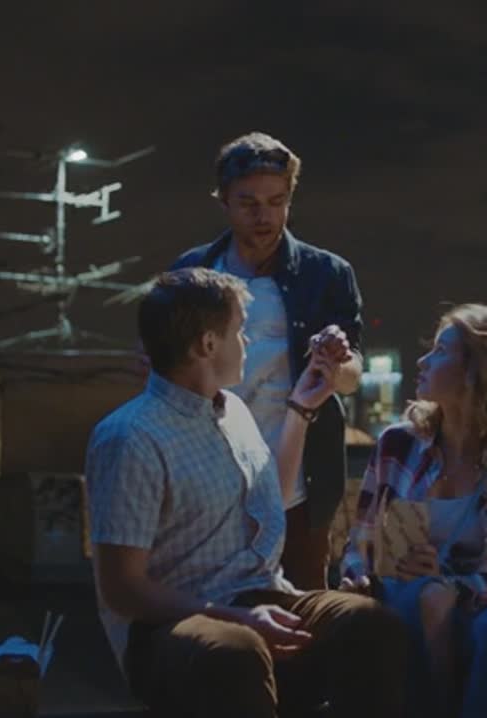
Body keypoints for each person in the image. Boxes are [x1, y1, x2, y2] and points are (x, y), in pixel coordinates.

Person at [86, 268, 406, 718]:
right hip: (172, 626)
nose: (248, 342)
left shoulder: (232, 409)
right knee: (235, 651)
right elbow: (122, 589)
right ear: (206, 344)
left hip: (260, 596)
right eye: (239, 331)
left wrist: (300, 409)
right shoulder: (130, 437)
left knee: (368, 623)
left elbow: (268, 499)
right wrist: (235, 617)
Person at [339, 304, 487, 718]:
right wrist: (358, 576)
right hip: (400, 596)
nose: (423, 361)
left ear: (477, 371)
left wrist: (455, 589)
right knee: (425, 597)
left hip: (473, 602)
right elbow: (360, 540)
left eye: (441, 351)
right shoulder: (397, 444)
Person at [169, 131, 364, 590]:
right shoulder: (192, 274)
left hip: (299, 484)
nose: (264, 217)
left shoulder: (326, 273)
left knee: (303, 604)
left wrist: (334, 365)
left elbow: (353, 376)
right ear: (224, 201)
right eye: (249, 203)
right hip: (209, 477)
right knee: (209, 600)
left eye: (277, 202)